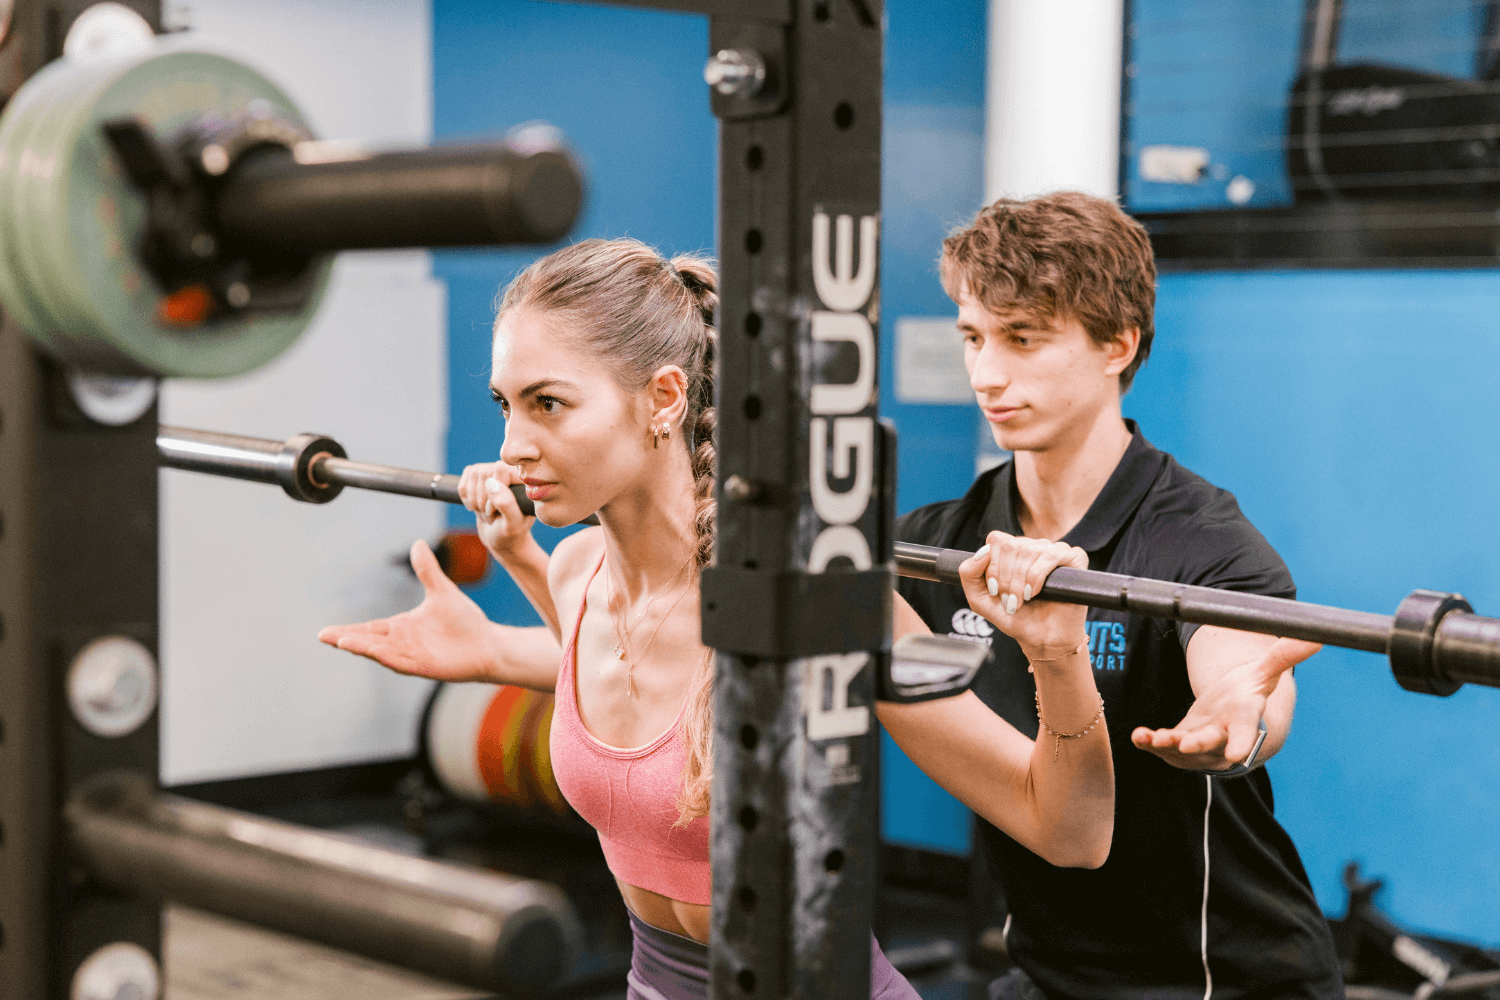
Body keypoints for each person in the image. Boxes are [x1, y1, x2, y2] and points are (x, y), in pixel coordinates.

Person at [319, 238, 1119, 1000]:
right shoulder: (571, 572)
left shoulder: (811, 597)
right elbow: (641, 686)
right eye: (505, 404)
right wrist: (499, 628)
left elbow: (1068, 832)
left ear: (663, 398)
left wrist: (1057, 655)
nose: (512, 444)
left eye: (548, 404)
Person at [893, 192, 1338, 999]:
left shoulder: (1200, 539)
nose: (987, 373)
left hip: (1215, 979)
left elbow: (1245, 683)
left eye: (1023, 339)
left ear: (1116, 345)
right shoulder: (943, 539)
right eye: (974, 338)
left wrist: (1241, 721)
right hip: (1046, 971)